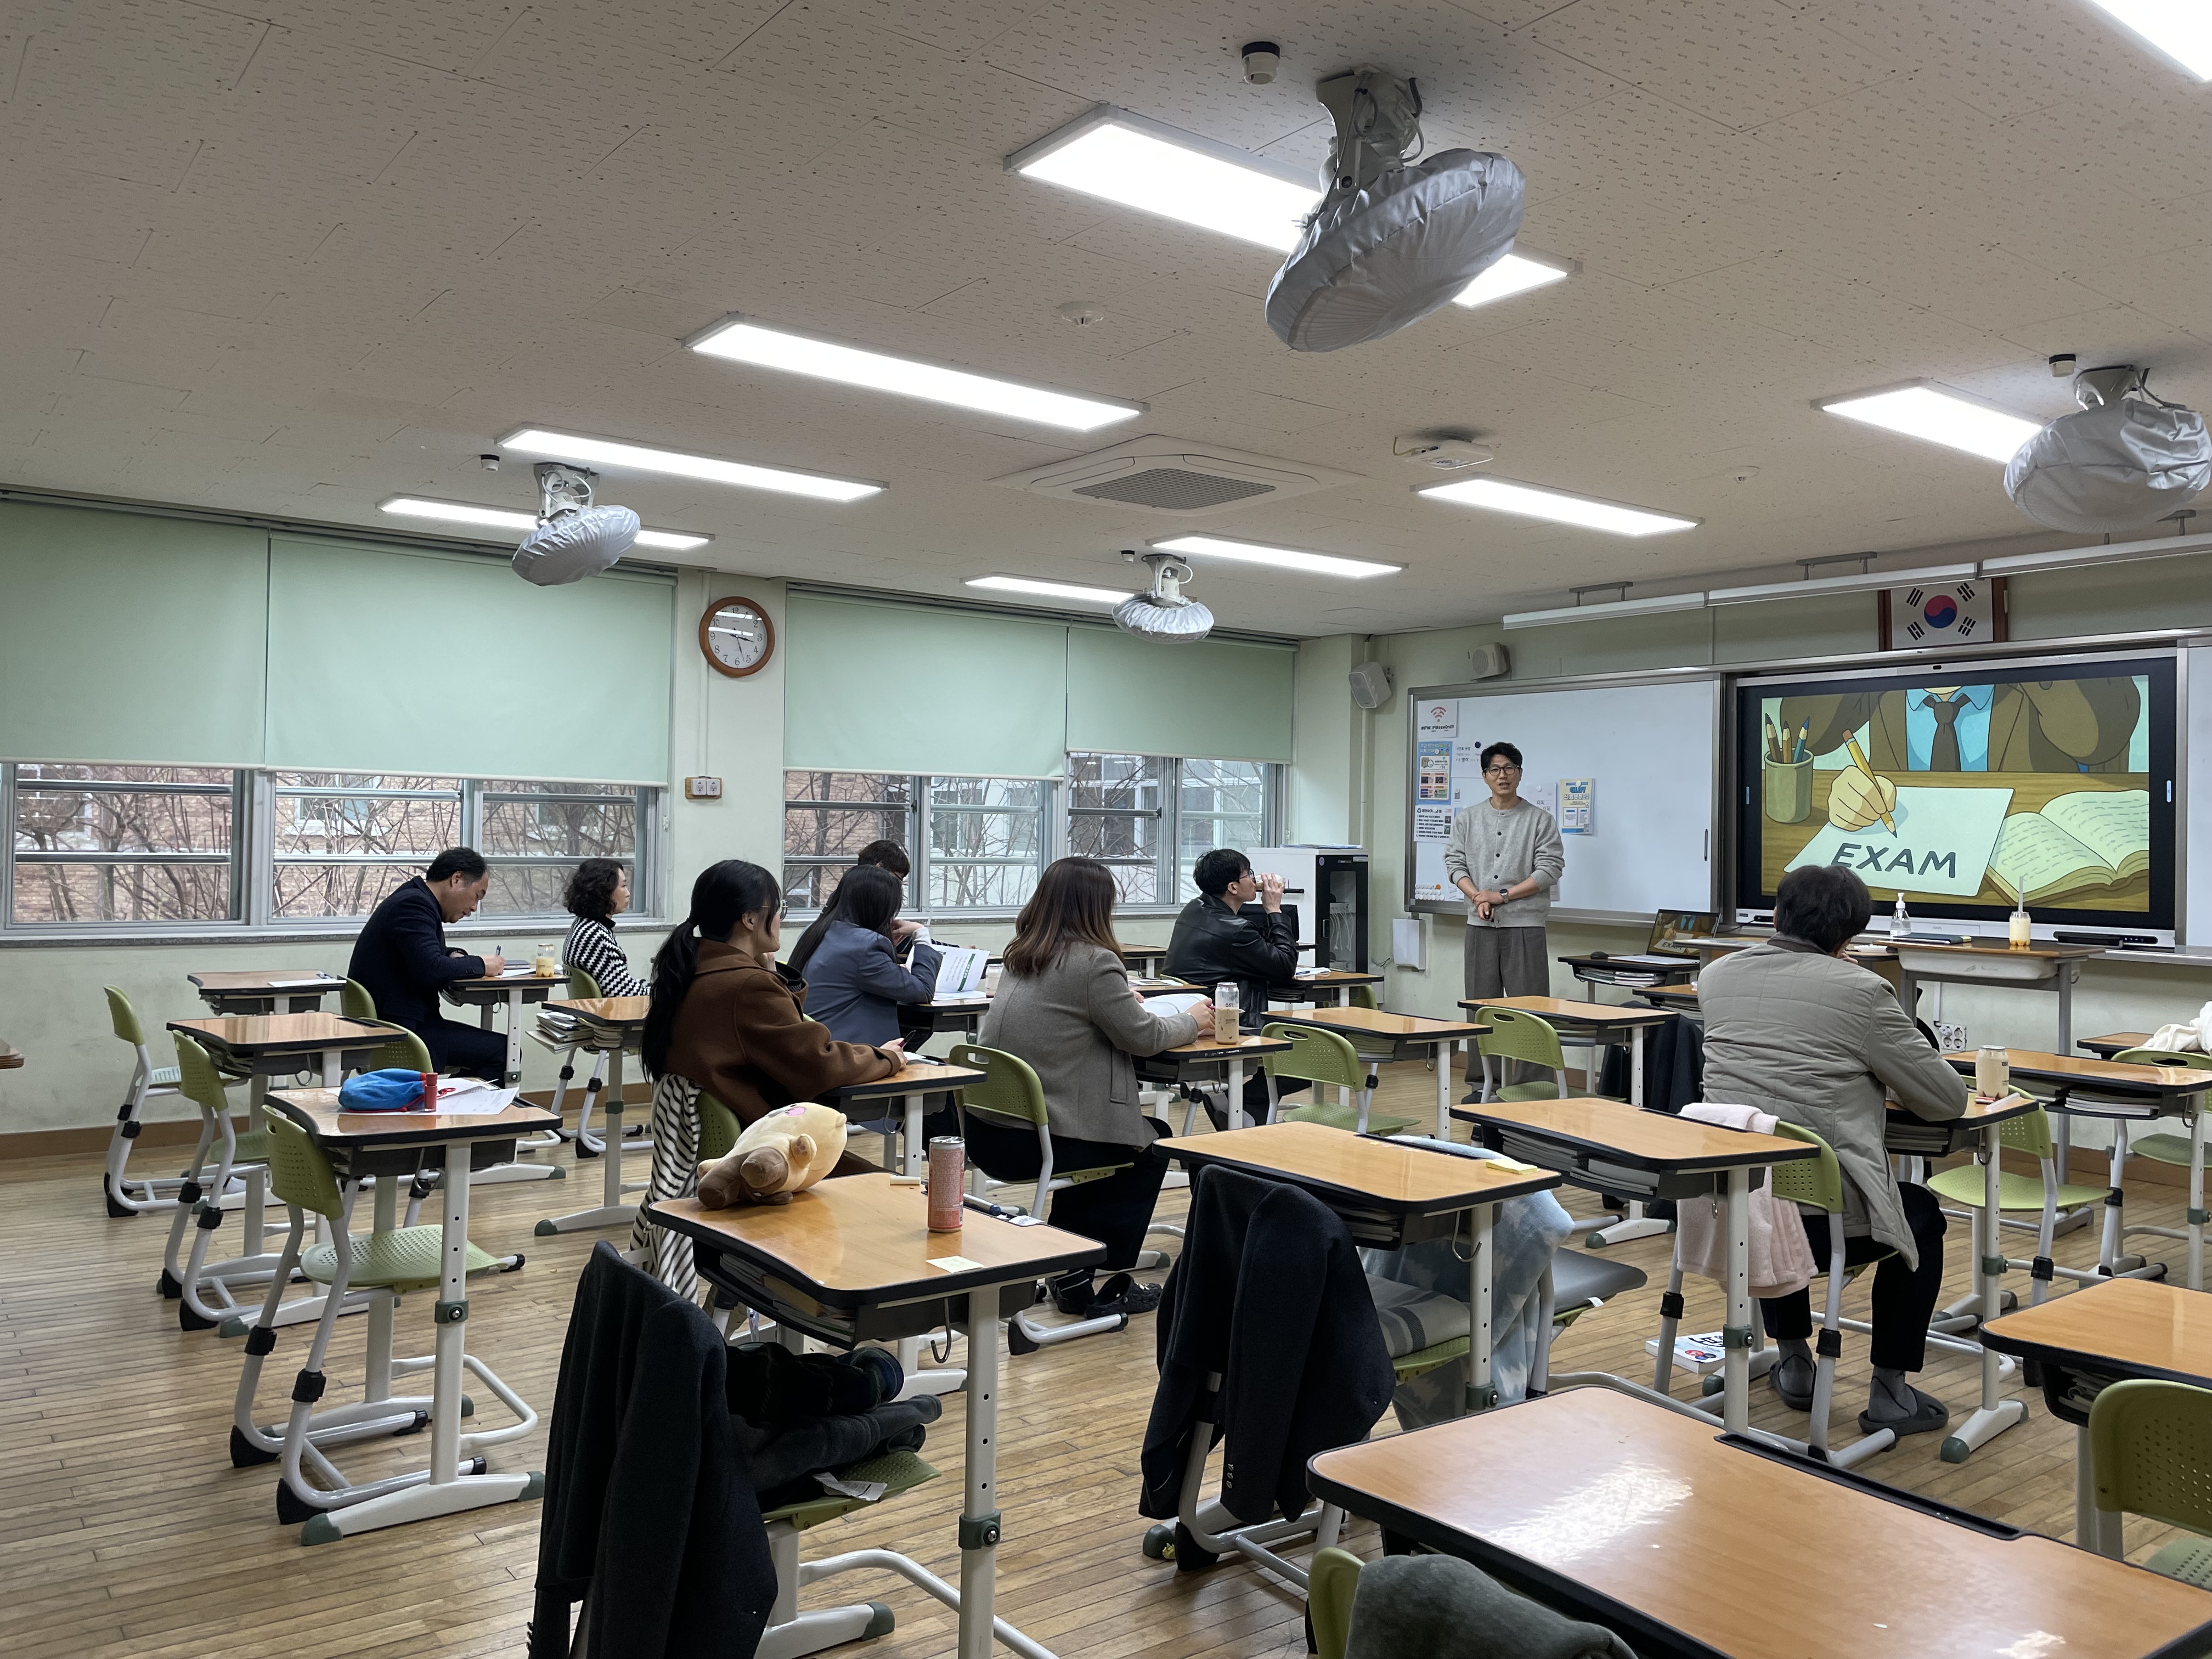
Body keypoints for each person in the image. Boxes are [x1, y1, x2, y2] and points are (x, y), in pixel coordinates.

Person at [1697, 863, 1967, 1437]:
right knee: (1921, 1216)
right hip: (1828, 1224)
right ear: (1850, 935)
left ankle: (1795, 1359)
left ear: (1776, 915)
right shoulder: (1864, 991)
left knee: (1770, 1180)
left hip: (1730, 1201)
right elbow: (1946, 1101)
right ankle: (1891, 1390)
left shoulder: (1716, 977)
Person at [632, 860, 905, 1294]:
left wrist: (766, 965)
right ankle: (847, 1304)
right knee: (894, 1196)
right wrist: (885, 1058)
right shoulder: (745, 986)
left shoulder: (691, 970)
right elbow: (819, 1063)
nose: (783, 918)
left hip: (729, 1149)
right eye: (778, 909)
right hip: (768, 1156)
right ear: (751, 919)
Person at [973, 857, 1211, 1318]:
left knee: (1114, 1138)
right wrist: (1192, 1021)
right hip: (1039, 1141)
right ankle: (1098, 1274)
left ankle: (1072, 1269)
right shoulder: (1095, 962)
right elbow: (1142, 1038)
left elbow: (1079, 1014)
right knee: (1151, 1144)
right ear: (1097, 907)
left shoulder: (1022, 953)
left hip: (993, 1132)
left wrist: (1123, 1002)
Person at [1776, 677, 2142, 831]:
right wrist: (1850, 795)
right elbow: (1800, 728)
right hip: (1912, 864)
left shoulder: (2036, 690)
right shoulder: (1879, 690)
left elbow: (2102, 734)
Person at [1442, 741, 1565, 1093]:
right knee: (1481, 1008)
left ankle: (1533, 1087)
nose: (1503, 775)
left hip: (1525, 926)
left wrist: (1502, 896)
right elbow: (1455, 864)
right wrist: (1477, 896)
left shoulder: (1540, 820)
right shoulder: (1468, 819)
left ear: (1520, 773)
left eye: (1509, 768)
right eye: (1495, 769)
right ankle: (1482, 1085)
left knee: (1530, 1009)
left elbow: (1549, 869)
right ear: (1484, 776)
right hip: (1479, 926)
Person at [1165, 847, 1302, 1128]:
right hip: (1225, 1023)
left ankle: (1235, 1103)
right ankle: (1248, 1101)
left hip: (1191, 1013)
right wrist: (1274, 910)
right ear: (1233, 887)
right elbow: (1285, 966)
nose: (1255, 880)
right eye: (1248, 874)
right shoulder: (1235, 931)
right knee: (1310, 1050)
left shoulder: (1194, 909)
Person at [346, 847, 508, 1077]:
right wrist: (481, 965)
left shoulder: (415, 897)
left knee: (496, 1050)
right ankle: (449, 1105)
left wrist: (453, 955)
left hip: (398, 1025)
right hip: (404, 1033)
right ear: (457, 880)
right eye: (477, 896)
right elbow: (430, 969)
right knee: (505, 1052)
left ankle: (443, 1102)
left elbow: (423, 954)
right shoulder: (414, 904)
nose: (474, 908)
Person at [798, 864, 942, 1046]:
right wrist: (921, 934)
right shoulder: (867, 945)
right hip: (851, 1055)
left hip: (813, 1045)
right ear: (880, 908)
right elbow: (923, 991)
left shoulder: (812, 931)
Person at [786, 840, 913, 981]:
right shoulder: (864, 939)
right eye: (898, 879)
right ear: (879, 869)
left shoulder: (822, 922)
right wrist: (921, 935)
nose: (898, 887)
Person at [560, 857, 649, 997]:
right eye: (623, 886)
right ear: (604, 891)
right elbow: (625, 994)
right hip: (610, 1014)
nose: (628, 893)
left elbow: (621, 984)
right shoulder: (594, 937)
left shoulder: (583, 926)